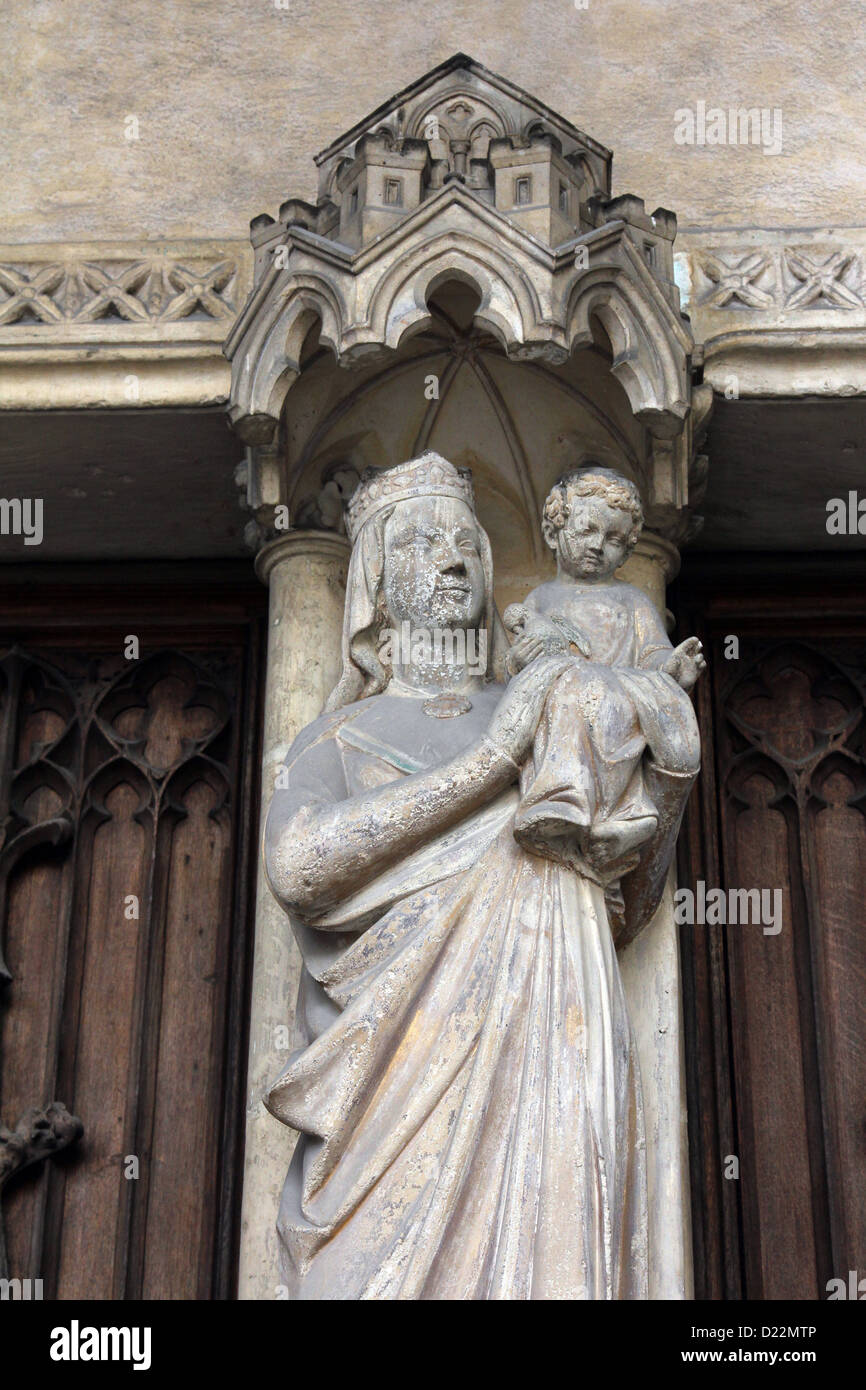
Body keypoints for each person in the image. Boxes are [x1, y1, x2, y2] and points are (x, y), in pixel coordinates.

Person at [263, 453, 699, 1300]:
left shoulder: (566, 697)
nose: (457, 557)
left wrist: (672, 775)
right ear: (379, 584)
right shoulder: (339, 736)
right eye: (426, 543)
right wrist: (496, 762)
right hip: (395, 1089)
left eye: (467, 541)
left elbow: (628, 903)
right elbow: (299, 867)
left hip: (558, 1028)